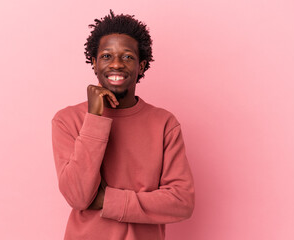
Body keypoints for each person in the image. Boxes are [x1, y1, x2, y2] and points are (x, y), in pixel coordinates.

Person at [51, 10, 195, 240]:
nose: (116, 64)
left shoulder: (164, 123)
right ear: (94, 62)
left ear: (141, 66)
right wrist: (95, 118)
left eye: (127, 56)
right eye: (107, 56)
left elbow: (181, 202)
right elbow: (78, 196)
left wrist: (106, 200)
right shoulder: (68, 120)